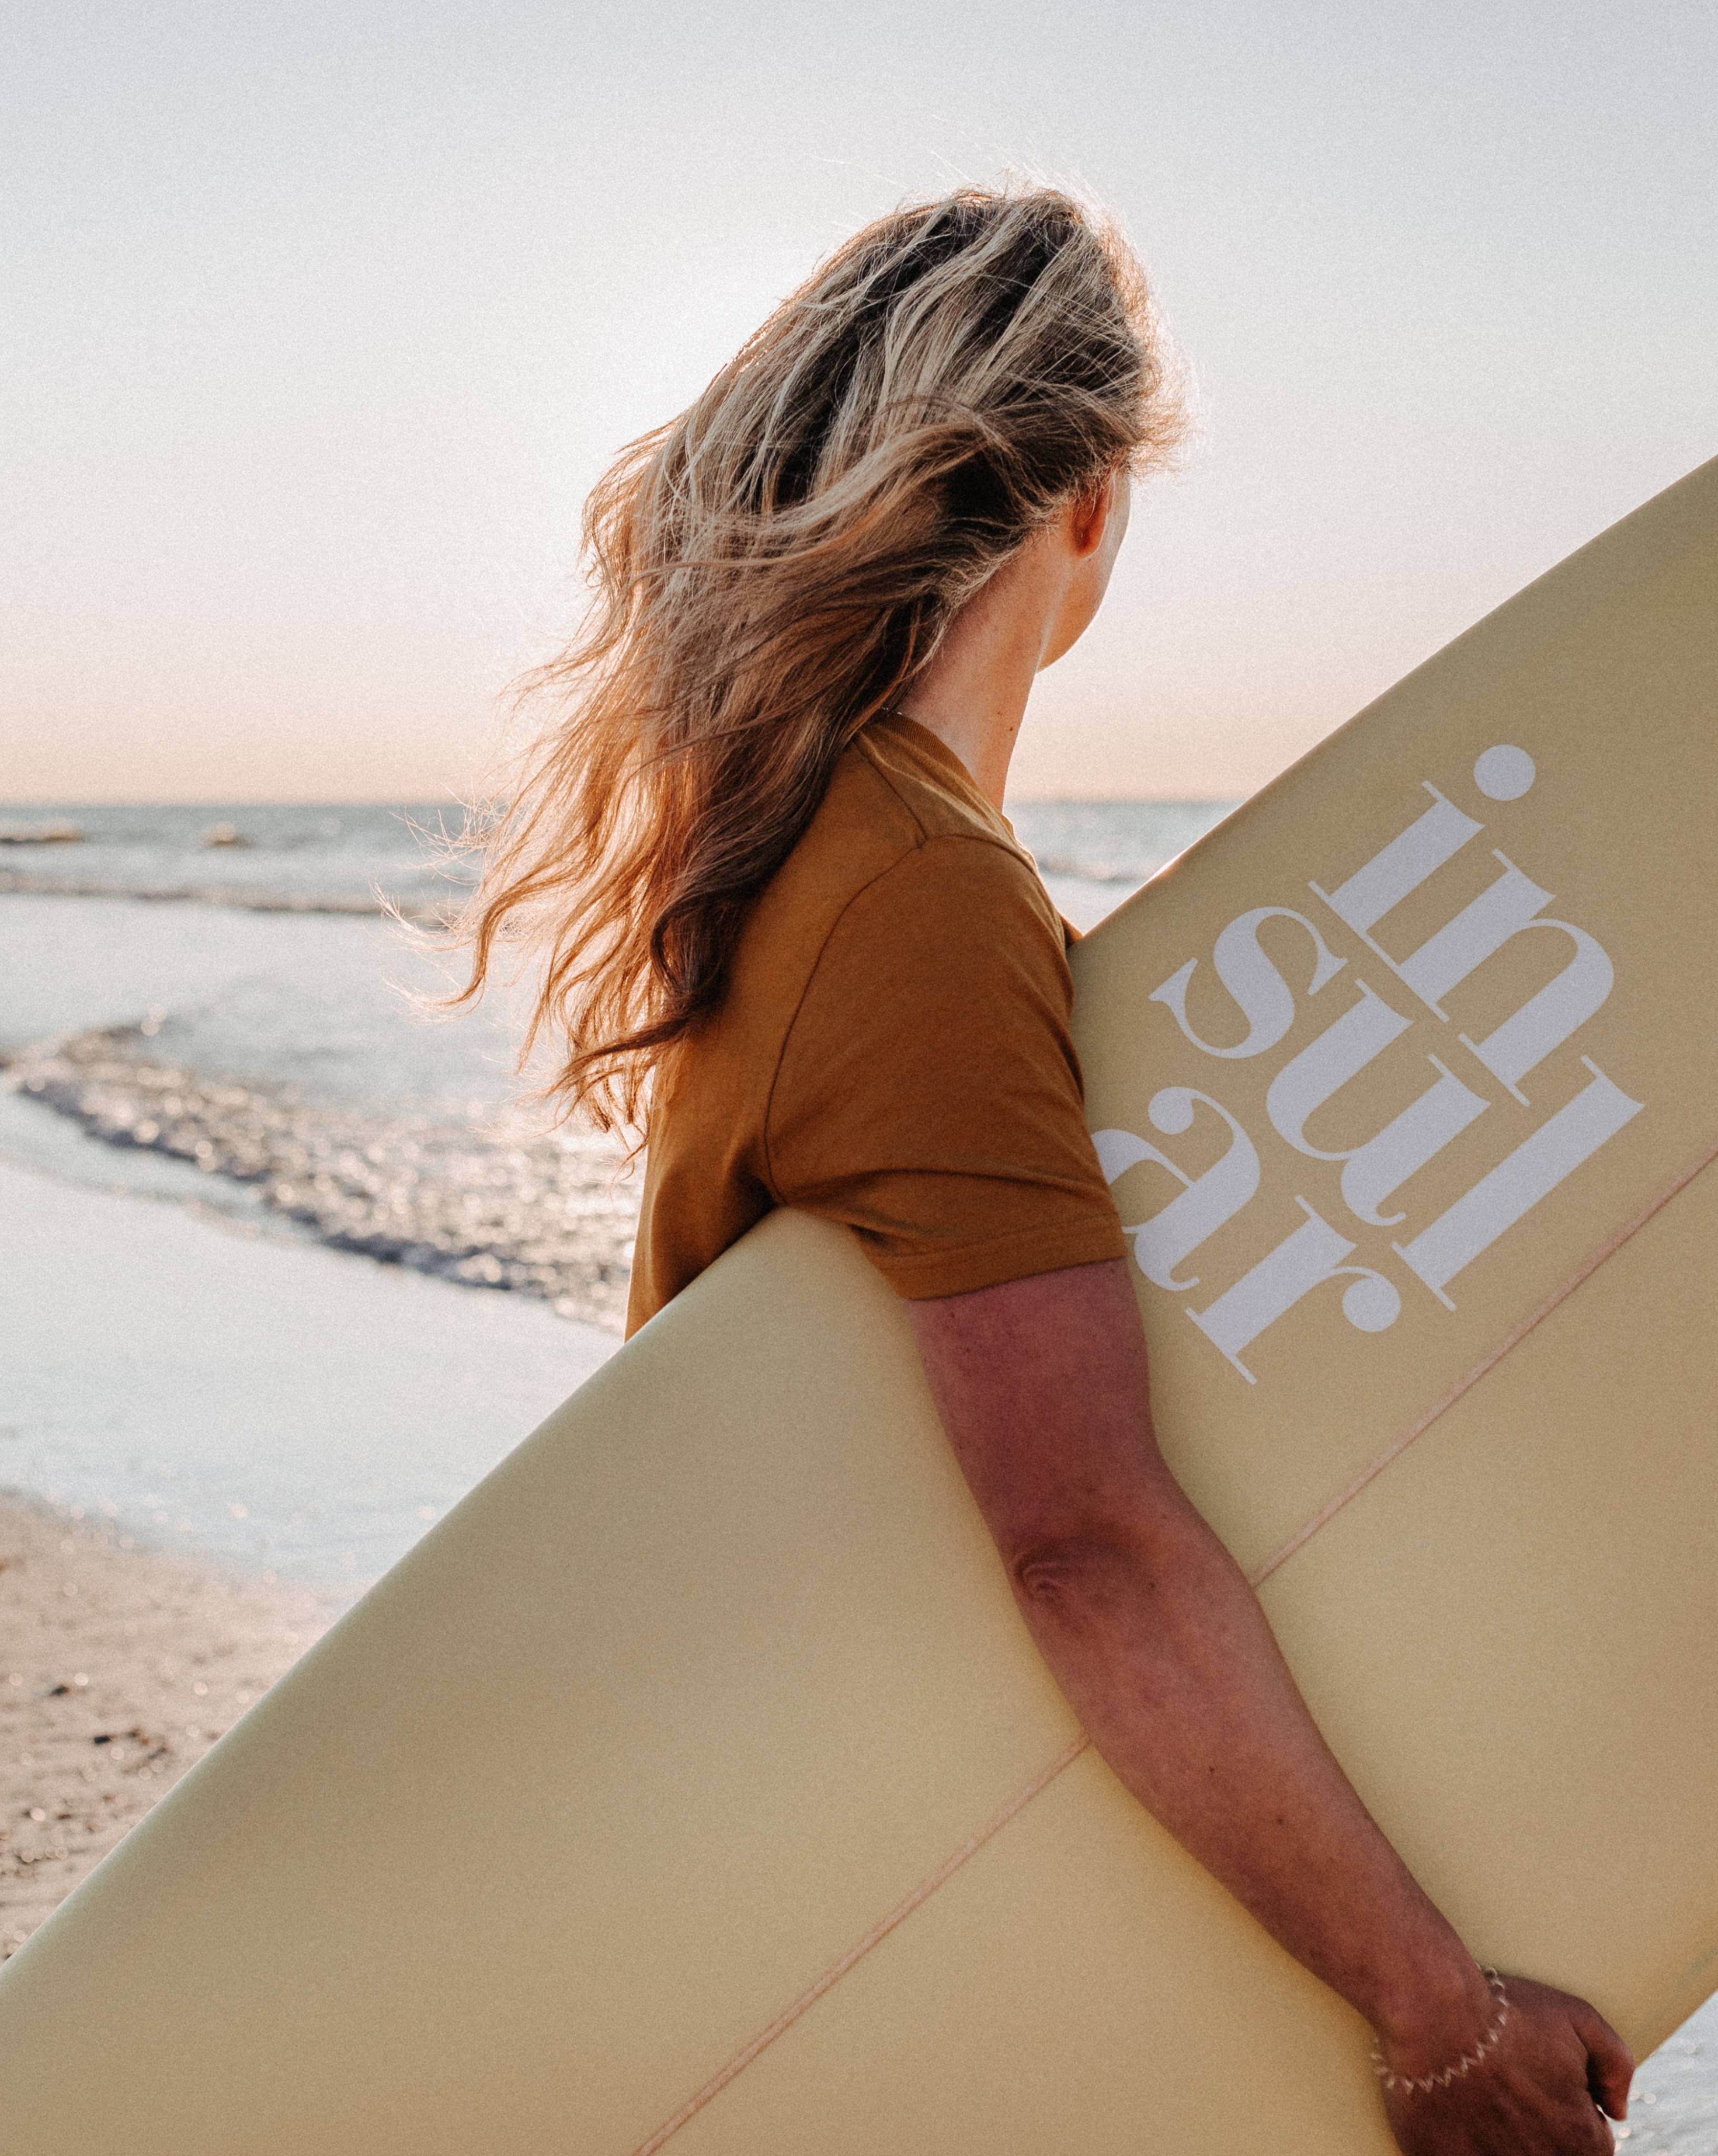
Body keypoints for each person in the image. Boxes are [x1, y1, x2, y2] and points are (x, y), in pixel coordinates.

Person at [455, 186, 1633, 2154]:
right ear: (1088, 504)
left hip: (770, 1797)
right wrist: (1435, 2017)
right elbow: (1080, 1542)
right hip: (863, 1873)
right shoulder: (917, 887)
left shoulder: (816, 830)